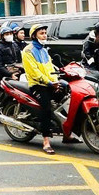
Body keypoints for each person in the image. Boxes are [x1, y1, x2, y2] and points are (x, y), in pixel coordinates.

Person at [22, 23, 61, 154]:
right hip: (38, 85)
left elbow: (50, 68)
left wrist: (56, 81)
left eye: (45, 33)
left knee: (67, 98)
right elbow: (34, 73)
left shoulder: (44, 50)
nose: (44, 35)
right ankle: (46, 141)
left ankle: (66, 135)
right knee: (46, 108)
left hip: (50, 83)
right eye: (41, 33)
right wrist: (50, 83)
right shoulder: (28, 51)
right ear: (34, 36)